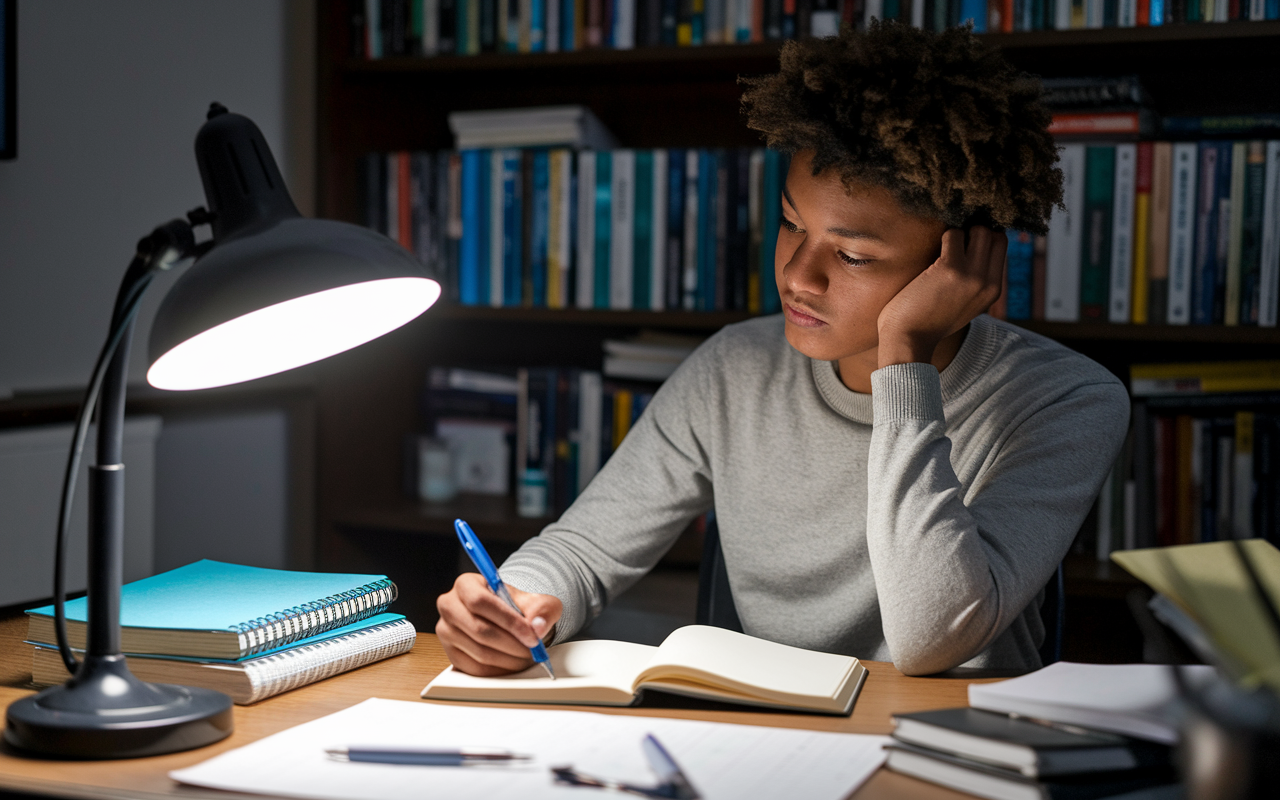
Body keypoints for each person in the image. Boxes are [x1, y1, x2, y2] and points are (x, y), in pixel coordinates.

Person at [435, 21, 1129, 677]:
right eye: (793, 224)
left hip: (959, 750)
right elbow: (585, 551)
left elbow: (932, 637)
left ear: (963, 263)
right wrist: (514, 605)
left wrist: (903, 359)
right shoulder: (734, 368)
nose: (798, 274)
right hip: (767, 743)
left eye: (852, 255)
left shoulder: (1069, 400)